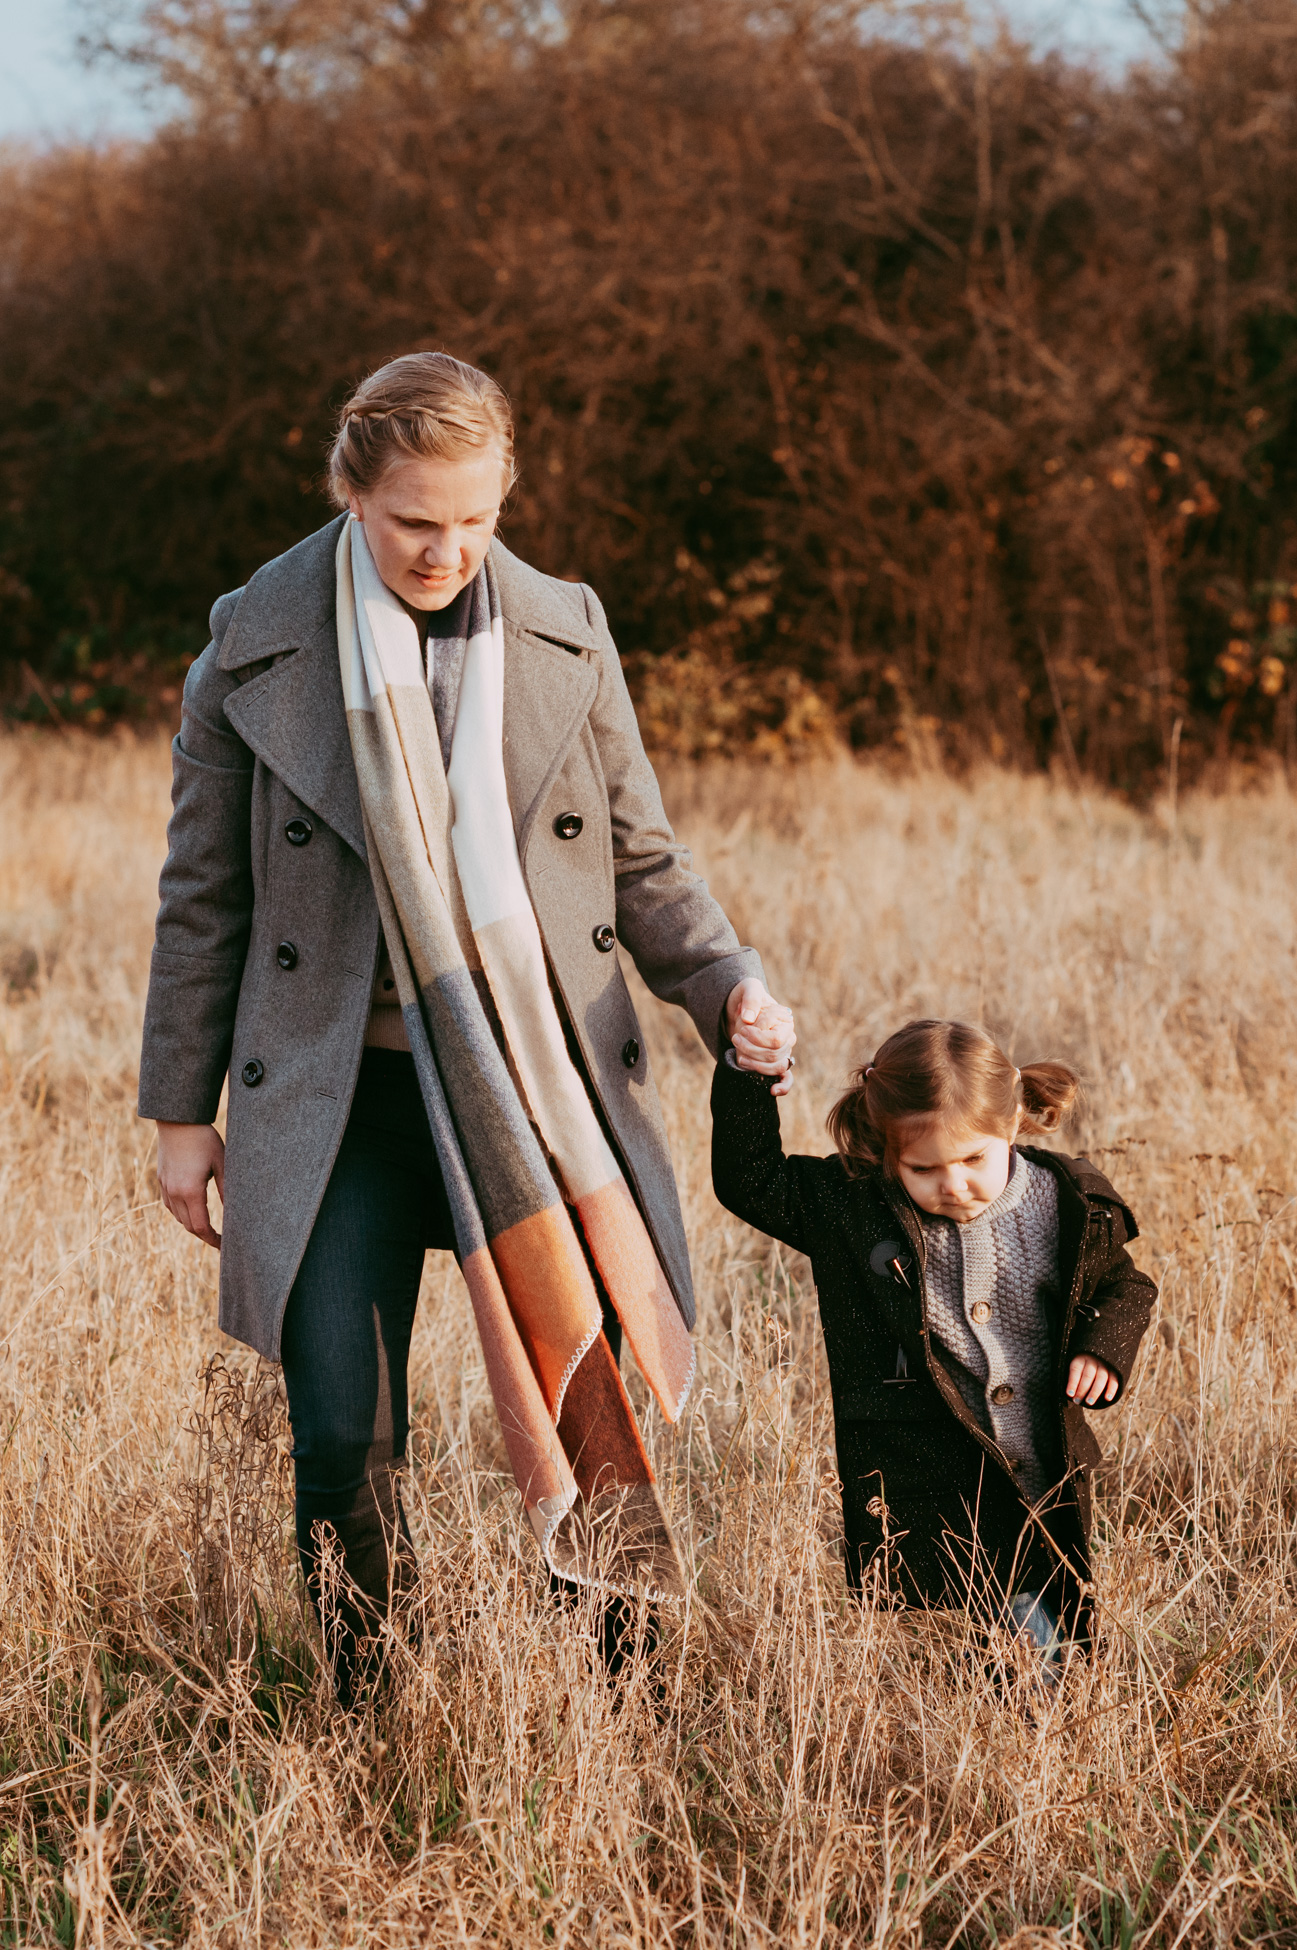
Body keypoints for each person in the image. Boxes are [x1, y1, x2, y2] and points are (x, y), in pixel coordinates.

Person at [139, 350, 795, 1702]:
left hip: (534, 1088)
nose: (446, 550)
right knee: (340, 1436)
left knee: (589, 1407)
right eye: (413, 521)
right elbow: (202, 897)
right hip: (338, 1102)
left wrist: (726, 983)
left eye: (475, 520)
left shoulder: (566, 631)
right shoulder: (253, 642)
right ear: (352, 494)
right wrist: (175, 1115)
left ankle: (632, 1704)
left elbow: (641, 862)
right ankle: (368, 1716)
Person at [711, 1017, 1155, 1682]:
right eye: (923, 1168)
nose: (953, 1185)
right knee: (987, 1608)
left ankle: (1043, 1709)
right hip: (935, 1464)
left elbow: (1127, 1285)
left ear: (1010, 1127)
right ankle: (1015, 1703)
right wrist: (749, 1079)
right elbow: (750, 1181)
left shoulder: (1063, 1205)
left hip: (1043, 1452)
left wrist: (1104, 1349)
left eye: (973, 1159)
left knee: (1056, 1594)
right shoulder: (857, 1209)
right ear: (886, 1152)